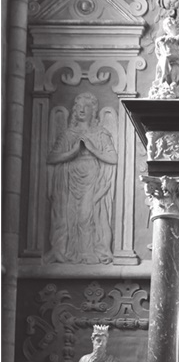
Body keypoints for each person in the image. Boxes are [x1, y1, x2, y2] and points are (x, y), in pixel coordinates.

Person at [45, 93, 117, 264]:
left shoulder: (100, 134)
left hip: (92, 179)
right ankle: (68, 252)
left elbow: (113, 158)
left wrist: (92, 149)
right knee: (69, 217)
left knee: (86, 216)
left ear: (94, 111)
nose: (82, 109)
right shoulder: (68, 134)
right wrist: (72, 153)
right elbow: (52, 157)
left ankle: (87, 253)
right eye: (78, 106)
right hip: (69, 180)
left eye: (86, 106)